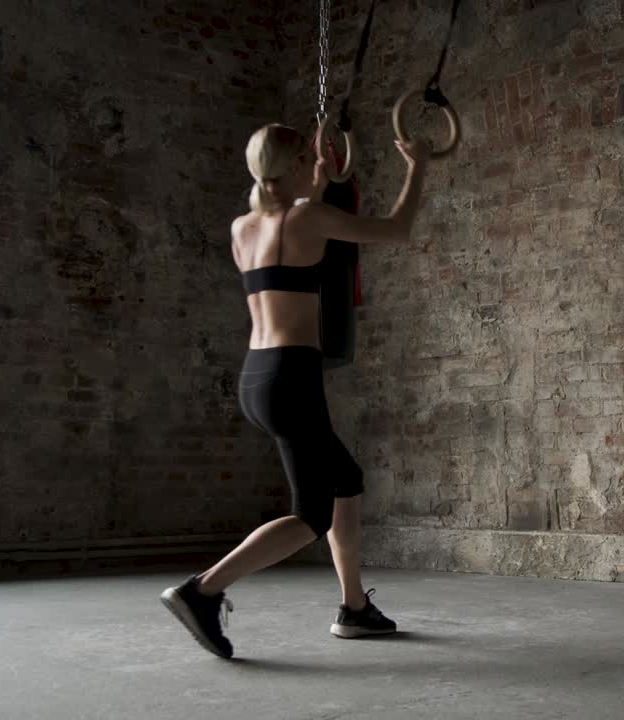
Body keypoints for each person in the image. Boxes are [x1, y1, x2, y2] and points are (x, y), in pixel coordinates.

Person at [160, 123, 429, 659]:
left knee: (345, 480)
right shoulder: (307, 217)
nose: (316, 160)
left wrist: (319, 181)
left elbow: (294, 236)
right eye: (308, 155)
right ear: (289, 166)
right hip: (290, 376)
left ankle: (354, 607)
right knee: (312, 513)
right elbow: (397, 229)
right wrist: (417, 165)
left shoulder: (243, 227)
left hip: (257, 376)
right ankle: (202, 589)